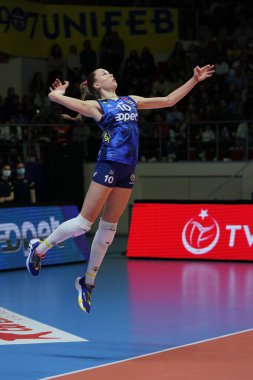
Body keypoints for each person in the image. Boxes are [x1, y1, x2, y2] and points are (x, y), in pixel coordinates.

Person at [26, 64, 215, 314]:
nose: (110, 74)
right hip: (109, 165)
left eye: (109, 72)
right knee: (84, 224)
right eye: (104, 74)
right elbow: (56, 98)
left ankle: (87, 282)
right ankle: (39, 250)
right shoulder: (97, 107)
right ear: (96, 85)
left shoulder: (131, 100)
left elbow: (169, 101)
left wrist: (194, 80)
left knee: (109, 230)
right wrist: (56, 93)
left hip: (128, 169)